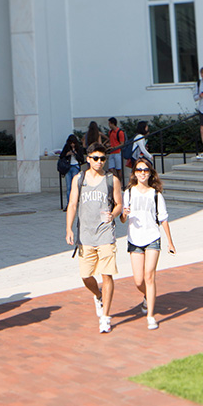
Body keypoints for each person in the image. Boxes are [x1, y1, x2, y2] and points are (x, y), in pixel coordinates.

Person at [65, 142, 123, 334]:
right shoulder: (79, 179)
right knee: (86, 275)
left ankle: (106, 317)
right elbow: (73, 204)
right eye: (95, 158)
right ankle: (98, 295)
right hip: (86, 235)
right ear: (88, 159)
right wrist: (69, 229)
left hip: (106, 233)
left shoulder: (111, 179)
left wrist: (113, 215)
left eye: (102, 159)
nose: (99, 162)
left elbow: (119, 204)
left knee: (107, 275)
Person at [119, 158, 176, 330]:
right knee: (138, 280)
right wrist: (124, 214)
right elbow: (122, 220)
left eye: (145, 170)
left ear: (150, 173)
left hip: (152, 237)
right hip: (134, 239)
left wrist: (170, 243)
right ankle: (146, 296)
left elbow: (164, 219)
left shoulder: (155, 194)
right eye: (139, 170)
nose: (142, 173)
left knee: (149, 276)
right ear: (134, 173)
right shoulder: (128, 192)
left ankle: (151, 315)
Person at [60, 135, 85, 208]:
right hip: (68, 167)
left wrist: (76, 154)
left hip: (75, 166)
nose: (72, 145)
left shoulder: (79, 148)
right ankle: (69, 204)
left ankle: (76, 202)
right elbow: (61, 156)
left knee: (75, 186)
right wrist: (67, 154)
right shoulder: (66, 147)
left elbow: (81, 159)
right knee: (69, 187)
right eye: (71, 143)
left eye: (73, 143)